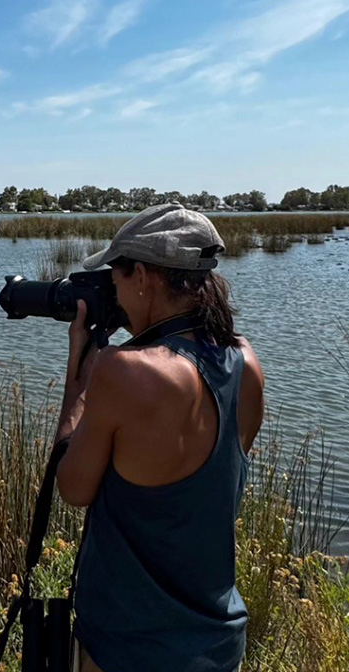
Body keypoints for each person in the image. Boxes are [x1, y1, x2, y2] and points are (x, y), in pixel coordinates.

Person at [54, 204, 266, 672]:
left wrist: (78, 385)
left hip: (129, 644)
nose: (114, 290)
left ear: (145, 277)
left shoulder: (124, 371)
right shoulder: (245, 361)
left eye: (117, 277)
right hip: (216, 639)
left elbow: (73, 489)